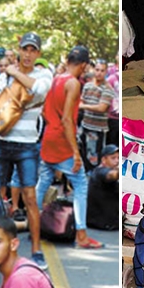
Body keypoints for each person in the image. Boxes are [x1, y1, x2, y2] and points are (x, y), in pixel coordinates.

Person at [0, 32, 53, 265]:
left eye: (33, 50)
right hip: (3, 144)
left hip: (27, 146)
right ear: (19, 49)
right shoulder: (4, 78)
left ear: (38, 54)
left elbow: (40, 90)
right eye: (25, 49)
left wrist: (14, 73)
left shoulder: (43, 73)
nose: (28, 54)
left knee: (31, 199)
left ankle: (36, 248)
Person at [36, 44, 103, 250]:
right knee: (81, 184)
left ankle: (34, 225)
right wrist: (75, 153)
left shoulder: (57, 78)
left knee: (45, 180)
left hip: (49, 136)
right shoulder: (73, 83)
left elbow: (45, 112)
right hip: (62, 141)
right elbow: (67, 119)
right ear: (83, 65)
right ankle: (81, 235)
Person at [79, 60, 116, 168]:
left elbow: (102, 108)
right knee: (84, 155)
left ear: (106, 72)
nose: (99, 73)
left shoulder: (108, 88)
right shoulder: (87, 85)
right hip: (85, 126)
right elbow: (81, 100)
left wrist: (83, 106)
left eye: (102, 70)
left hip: (97, 129)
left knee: (94, 158)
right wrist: (82, 105)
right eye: (97, 70)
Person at [86, 144, 120, 231]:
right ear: (104, 159)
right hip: (104, 223)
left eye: (118, 158)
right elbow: (111, 175)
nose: (117, 161)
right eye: (113, 158)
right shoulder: (100, 171)